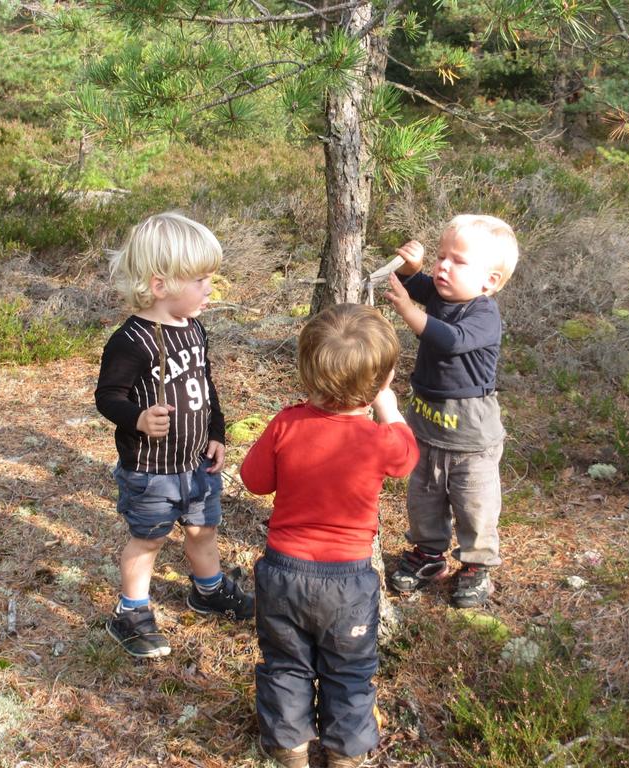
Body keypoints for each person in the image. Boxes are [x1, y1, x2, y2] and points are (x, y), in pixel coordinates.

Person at [240, 304, 419, 768]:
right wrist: (391, 410)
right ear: (382, 381)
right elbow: (407, 459)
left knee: (285, 662)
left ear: (306, 371)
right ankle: (344, 752)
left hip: (283, 572)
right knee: (350, 669)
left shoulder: (286, 423)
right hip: (349, 580)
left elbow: (255, 480)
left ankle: (288, 745)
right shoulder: (380, 439)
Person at [94, 211, 253, 659]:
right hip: (151, 469)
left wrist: (216, 432)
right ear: (160, 285)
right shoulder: (131, 341)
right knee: (149, 540)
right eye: (200, 279)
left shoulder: (195, 329)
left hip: (197, 463)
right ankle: (131, 611)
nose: (210, 289)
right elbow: (107, 396)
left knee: (204, 529)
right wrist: (137, 418)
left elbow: (206, 385)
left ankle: (208, 590)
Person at [382, 214, 520, 609]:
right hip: (426, 426)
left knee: (474, 503)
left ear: (488, 282)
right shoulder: (442, 295)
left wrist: (409, 311)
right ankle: (428, 553)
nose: (442, 266)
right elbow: (421, 285)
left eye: (457, 261)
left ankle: (477, 564)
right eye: (441, 256)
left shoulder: (483, 316)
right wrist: (412, 271)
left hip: (471, 439)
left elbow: (450, 340)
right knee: (423, 497)